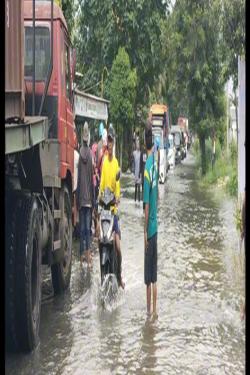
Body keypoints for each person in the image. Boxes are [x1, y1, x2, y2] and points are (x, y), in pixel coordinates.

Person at [99, 126, 125, 289]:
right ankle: (101, 274)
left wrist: (117, 198)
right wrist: (99, 199)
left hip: (113, 212)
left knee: (117, 245)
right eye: (107, 140)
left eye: (111, 141)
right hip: (104, 210)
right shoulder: (104, 162)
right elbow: (101, 184)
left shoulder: (115, 164)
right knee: (99, 240)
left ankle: (120, 276)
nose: (109, 144)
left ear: (113, 143)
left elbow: (117, 185)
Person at [143, 118, 158, 317]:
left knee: (147, 279)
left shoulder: (147, 167)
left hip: (150, 230)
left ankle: (148, 315)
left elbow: (146, 206)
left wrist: (144, 233)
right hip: (157, 228)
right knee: (155, 277)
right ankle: (156, 312)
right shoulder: (154, 163)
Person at [76, 122, 94, 269]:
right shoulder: (91, 156)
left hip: (81, 198)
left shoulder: (78, 155)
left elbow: (78, 180)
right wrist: (93, 201)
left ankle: (81, 256)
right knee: (88, 229)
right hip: (89, 199)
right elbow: (91, 180)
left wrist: (76, 200)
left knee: (81, 229)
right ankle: (89, 257)